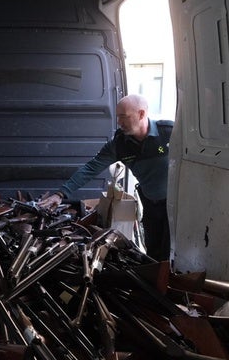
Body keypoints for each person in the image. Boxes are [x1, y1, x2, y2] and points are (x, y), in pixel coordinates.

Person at [38, 94, 173, 261]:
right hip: (151, 206)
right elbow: (90, 168)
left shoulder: (169, 133)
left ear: (141, 114)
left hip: (177, 207)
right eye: (118, 116)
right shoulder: (120, 144)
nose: (119, 122)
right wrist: (60, 194)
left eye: (124, 116)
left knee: (171, 254)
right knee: (154, 256)